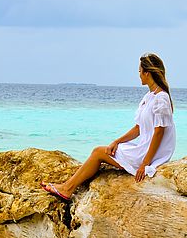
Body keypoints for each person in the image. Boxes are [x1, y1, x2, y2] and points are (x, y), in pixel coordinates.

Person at [41, 52, 176, 202]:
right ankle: (66, 187)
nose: (139, 75)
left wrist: (145, 164)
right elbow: (138, 128)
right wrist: (116, 141)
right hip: (143, 149)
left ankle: (66, 189)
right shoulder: (149, 97)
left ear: (147, 73)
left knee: (98, 152)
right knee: (103, 150)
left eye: (139, 72)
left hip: (148, 155)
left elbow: (159, 133)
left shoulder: (161, 98)